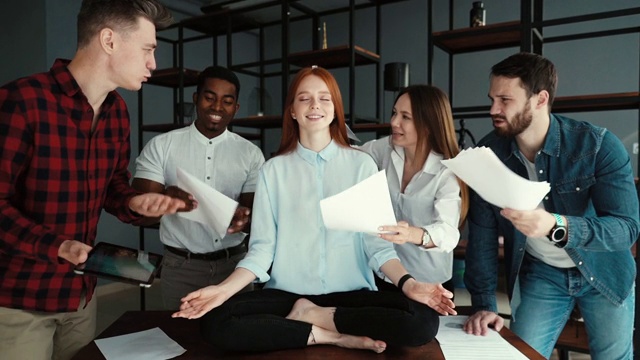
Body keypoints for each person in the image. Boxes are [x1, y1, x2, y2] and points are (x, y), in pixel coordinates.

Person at [172, 66, 457, 354]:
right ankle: (328, 335)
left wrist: (408, 284)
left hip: (351, 295)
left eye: (324, 98)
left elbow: (378, 247)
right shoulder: (273, 171)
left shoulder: (363, 166)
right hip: (289, 295)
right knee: (216, 322)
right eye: (304, 98)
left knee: (422, 322)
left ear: (335, 109)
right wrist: (221, 291)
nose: (315, 106)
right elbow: (261, 251)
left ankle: (316, 320)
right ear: (293, 111)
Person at [0, 1, 188, 359]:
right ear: (109, 40)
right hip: (18, 302)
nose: (153, 63)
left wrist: (134, 201)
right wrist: (57, 246)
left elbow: (113, 185)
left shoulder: (117, 111)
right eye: (148, 49)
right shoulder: (21, 101)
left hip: (82, 298)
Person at [462, 52, 639, 359]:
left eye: (505, 99)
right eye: (492, 98)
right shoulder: (489, 153)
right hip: (542, 275)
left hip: (604, 272)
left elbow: (627, 229)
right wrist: (484, 305)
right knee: (519, 356)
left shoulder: (597, 145)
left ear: (540, 99)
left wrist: (557, 225)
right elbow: (482, 236)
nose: (494, 109)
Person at [132, 65, 265, 310]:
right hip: (181, 267)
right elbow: (137, 212)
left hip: (234, 266)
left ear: (235, 108)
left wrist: (244, 219)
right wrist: (166, 199)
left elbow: (256, 215)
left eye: (227, 101)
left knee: (239, 337)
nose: (217, 108)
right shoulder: (162, 146)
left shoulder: (251, 154)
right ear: (196, 99)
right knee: (181, 339)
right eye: (209, 97)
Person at [360, 85, 468, 294]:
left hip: (429, 284)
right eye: (394, 113)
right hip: (385, 276)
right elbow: (352, 155)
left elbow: (448, 233)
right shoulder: (387, 148)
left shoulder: (447, 171)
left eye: (405, 117)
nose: (393, 122)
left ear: (428, 124)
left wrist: (411, 234)